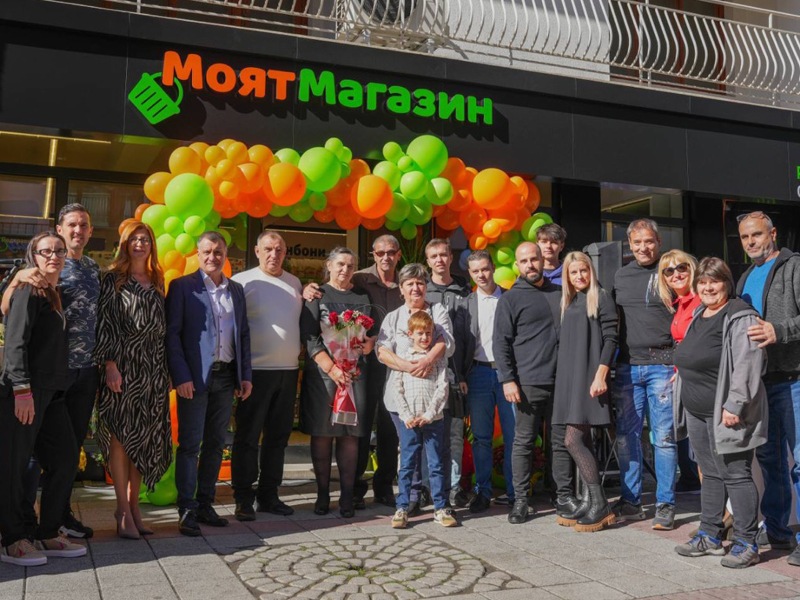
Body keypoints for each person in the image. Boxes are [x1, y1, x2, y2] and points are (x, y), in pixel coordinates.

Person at [1, 204, 100, 540]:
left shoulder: (92, 268)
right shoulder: (32, 276)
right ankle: (20, 526)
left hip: (81, 372)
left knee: (66, 453)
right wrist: (17, 277)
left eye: (84, 225)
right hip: (41, 377)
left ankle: (57, 520)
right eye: (71, 224)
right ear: (59, 228)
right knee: (27, 455)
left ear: (90, 230)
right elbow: (10, 314)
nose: (78, 231)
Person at [673, 257, 766, 568]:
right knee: (710, 473)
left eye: (714, 281)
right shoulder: (700, 312)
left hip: (726, 412)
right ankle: (710, 536)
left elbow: (748, 364)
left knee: (736, 474)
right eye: (702, 282)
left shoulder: (741, 315)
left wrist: (734, 404)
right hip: (697, 410)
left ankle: (746, 542)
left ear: (727, 283)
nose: (708, 287)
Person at [166, 232, 253, 536]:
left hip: (226, 377)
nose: (212, 257)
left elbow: (243, 334)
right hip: (194, 378)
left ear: (225, 254)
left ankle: (205, 503)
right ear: (198, 253)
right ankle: (187, 508)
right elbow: (172, 335)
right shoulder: (182, 287)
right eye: (207, 251)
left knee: (216, 444)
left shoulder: (236, 290)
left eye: (218, 252)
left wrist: (245, 375)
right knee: (190, 445)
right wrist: (181, 376)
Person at [95, 221, 172, 540]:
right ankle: (122, 509)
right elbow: (105, 324)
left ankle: (135, 507)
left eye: (145, 239)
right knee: (120, 437)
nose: (140, 244)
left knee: (143, 438)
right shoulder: (111, 279)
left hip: (153, 370)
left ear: (152, 245)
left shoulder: (157, 280)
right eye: (135, 239)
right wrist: (110, 365)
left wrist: (166, 372)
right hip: (123, 366)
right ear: (125, 244)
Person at [736, 211, 800, 565]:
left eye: (756, 235)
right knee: (771, 461)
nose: (750, 242)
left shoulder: (794, 267)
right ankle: (778, 529)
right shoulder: (746, 276)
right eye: (745, 237)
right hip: (762, 383)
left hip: (795, 378)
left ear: (773, 233)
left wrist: (780, 330)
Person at [611, 218, 678, 530]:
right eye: (637, 242)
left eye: (649, 241)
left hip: (663, 365)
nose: (643, 247)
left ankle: (665, 504)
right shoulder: (620, 276)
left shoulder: (671, 273)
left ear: (659, 242)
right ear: (629, 244)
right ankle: (631, 501)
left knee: (663, 438)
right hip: (628, 368)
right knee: (627, 438)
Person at [231, 231, 303, 520]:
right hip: (254, 374)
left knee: (278, 438)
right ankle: (243, 498)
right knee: (247, 437)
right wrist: (238, 372)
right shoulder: (242, 282)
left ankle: (269, 495)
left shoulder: (294, 283)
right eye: (269, 249)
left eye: (279, 249)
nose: (274, 254)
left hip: (288, 372)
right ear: (257, 251)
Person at [299, 247, 376, 518]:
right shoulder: (317, 295)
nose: (345, 270)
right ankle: (322, 494)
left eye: (350, 265)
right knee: (323, 434)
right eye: (340, 264)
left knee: (349, 435)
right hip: (324, 375)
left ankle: (346, 495)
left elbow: (372, 332)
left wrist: (369, 344)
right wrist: (331, 367)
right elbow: (309, 336)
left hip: (355, 374)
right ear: (329, 265)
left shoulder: (362, 296)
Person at [377, 263, 456, 522]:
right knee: (409, 451)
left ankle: (439, 502)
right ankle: (410, 499)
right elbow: (382, 351)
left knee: (436, 453)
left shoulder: (437, 310)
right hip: (402, 399)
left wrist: (428, 360)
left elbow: (446, 341)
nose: (415, 288)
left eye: (420, 283)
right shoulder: (393, 317)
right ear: (401, 289)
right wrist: (408, 366)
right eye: (409, 284)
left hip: (432, 397)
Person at [494, 242, 563, 524]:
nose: (530, 265)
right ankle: (521, 500)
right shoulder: (510, 299)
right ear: (517, 265)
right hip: (526, 383)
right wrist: (508, 379)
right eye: (524, 261)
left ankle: (562, 496)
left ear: (542, 260)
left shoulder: (559, 293)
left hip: (561, 380)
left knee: (559, 441)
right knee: (523, 442)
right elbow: (500, 343)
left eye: (534, 259)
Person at [552, 252, 617, 532]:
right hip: (570, 379)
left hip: (590, 377)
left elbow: (611, 338)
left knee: (573, 440)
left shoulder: (601, 296)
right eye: (574, 272)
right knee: (583, 439)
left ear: (591, 271)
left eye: (584, 270)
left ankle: (600, 503)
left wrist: (601, 374)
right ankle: (591, 501)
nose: (579, 276)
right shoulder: (569, 301)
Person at [456, 250, 516, 513]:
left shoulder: (510, 298)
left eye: (484, 269)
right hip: (478, 374)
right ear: (470, 274)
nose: (481, 275)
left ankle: (516, 493)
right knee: (481, 437)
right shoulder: (465, 304)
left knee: (514, 436)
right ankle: (483, 492)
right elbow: (459, 344)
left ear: (492, 268)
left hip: (508, 375)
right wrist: (460, 376)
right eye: (475, 271)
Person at [389, 311, 455, 529]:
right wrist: (406, 416)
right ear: (410, 334)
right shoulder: (404, 358)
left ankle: (440, 507)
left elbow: (442, 388)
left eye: (428, 333)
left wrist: (429, 414)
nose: (425, 337)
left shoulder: (438, 359)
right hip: (409, 421)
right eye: (420, 333)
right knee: (407, 464)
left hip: (433, 420)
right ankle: (402, 507)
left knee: (435, 464)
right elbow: (397, 389)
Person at [424, 238, 470, 507]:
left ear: (451, 258)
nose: (439, 260)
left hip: (456, 376)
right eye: (434, 256)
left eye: (443, 255)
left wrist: (463, 374)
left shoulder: (465, 289)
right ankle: (428, 487)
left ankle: (453, 486)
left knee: (454, 434)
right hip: (426, 375)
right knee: (428, 432)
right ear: (428, 261)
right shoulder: (421, 290)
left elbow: (469, 336)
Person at [657, 251, 702, 494]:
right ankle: (714, 510)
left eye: (681, 267)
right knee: (699, 452)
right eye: (669, 271)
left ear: (692, 268)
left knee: (707, 454)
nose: (676, 274)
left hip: (702, 382)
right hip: (687, 380)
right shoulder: (679, 305)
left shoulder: (701, 301)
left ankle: (724, 512)